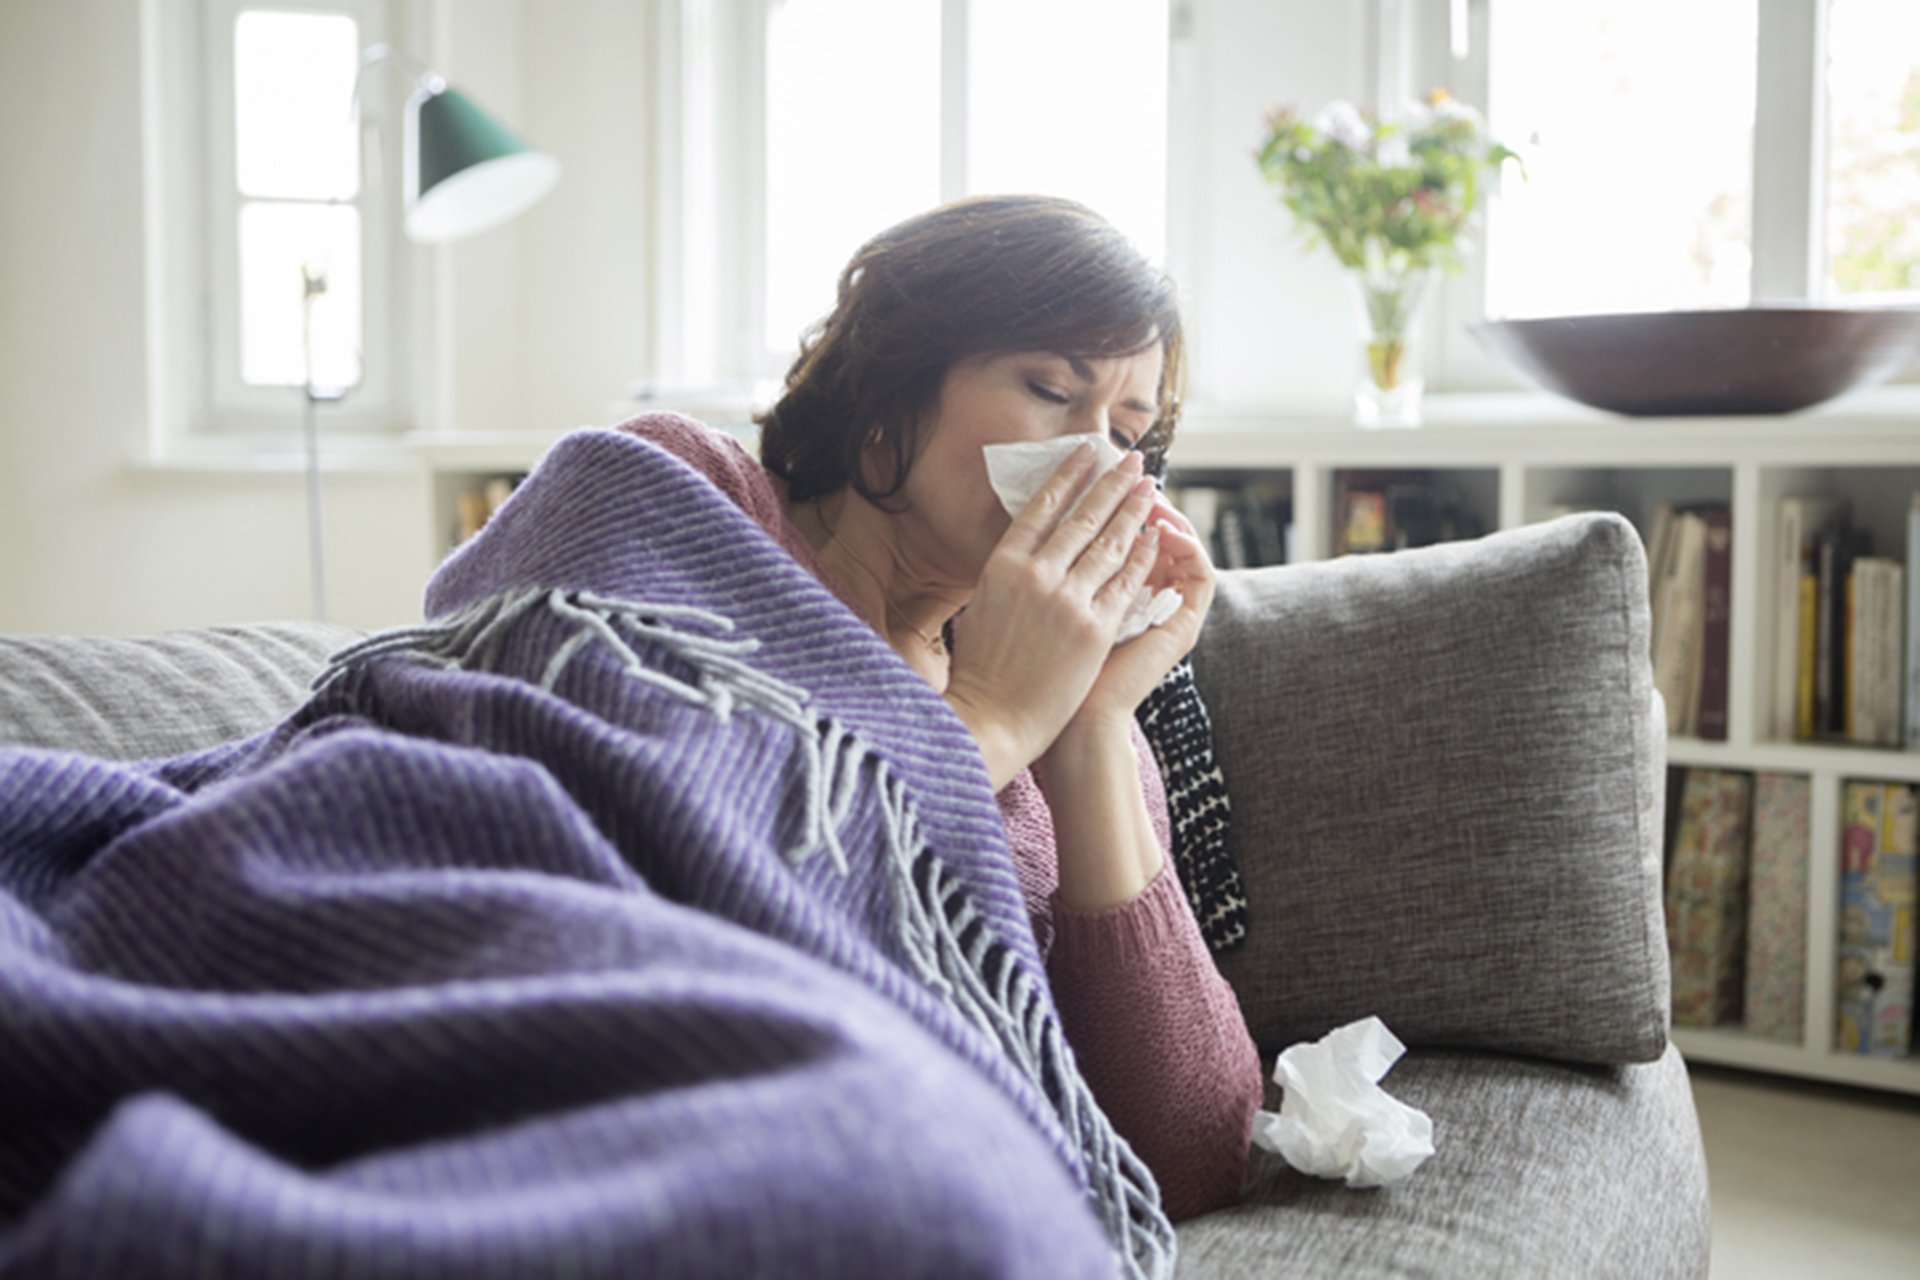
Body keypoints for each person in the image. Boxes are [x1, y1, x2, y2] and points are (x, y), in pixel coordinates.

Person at [618, 194, 1262, 1221]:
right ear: (894, 387)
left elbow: (1192, 1155)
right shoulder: (690, 492)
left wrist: (1087, 727)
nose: (1097, 460)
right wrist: (993, 715)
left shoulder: (1075, 705)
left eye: (1131, 434)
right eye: (1053, 387)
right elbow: (674, 886)